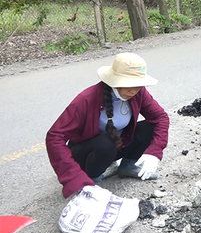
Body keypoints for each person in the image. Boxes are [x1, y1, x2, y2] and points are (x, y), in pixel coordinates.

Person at [46, 52, 170, 198]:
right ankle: (90, 181)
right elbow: (54, 137)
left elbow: (160, 118)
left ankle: (128, 166)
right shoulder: (86, 99)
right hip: (87, 153)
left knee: (150, 127)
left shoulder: (139, 93)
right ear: (114, 81)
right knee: (107, 141)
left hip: (114, 147)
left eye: (138, 85)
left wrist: (154, 151)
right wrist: (74, 177)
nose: (133, 91)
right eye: (128, 85)